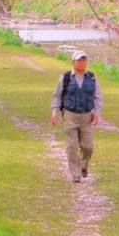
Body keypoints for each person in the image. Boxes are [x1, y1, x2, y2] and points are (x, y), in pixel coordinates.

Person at [50, 50, 102, 183]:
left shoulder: (92, 77)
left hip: (86, 117)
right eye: (78, 60)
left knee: (88, 147)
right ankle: (76, 175)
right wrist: (54, 112)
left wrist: (96, 113)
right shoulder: (66, 77)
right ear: (73, 62)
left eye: (84, 60)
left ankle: (83, 166)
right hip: (70, 116)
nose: (81, 63)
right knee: (71, 147)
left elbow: (97, 97)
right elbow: (57, 95)